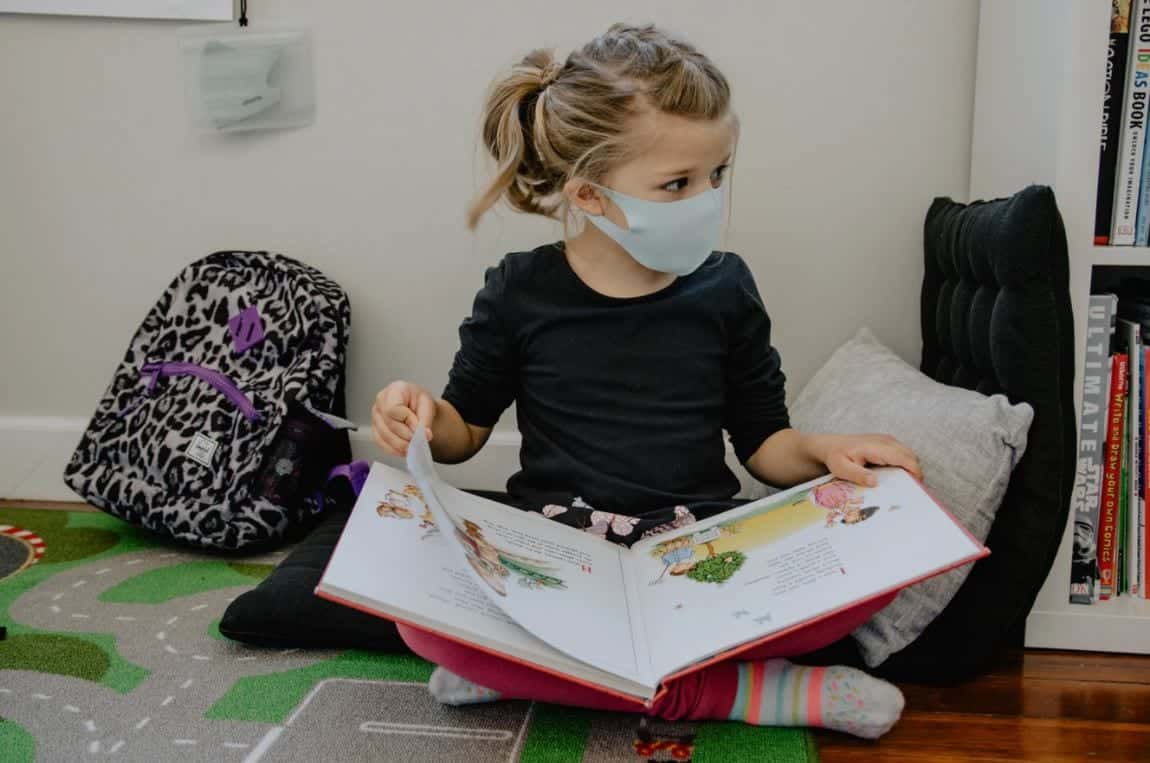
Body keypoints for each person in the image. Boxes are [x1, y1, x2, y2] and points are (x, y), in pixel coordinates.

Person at [372, 23, 923, 739]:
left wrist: (824, 453)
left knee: (875, 564)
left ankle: (536, 674)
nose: (708, 198)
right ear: (591, 196)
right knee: (417, 622)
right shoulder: (519, 291)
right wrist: (414, 412)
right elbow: (462, 432)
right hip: (561, 559)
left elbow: (764, 443)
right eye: (678, 184)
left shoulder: (726, 289)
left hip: (696, 557)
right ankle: (745, 692)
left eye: (717, 175)